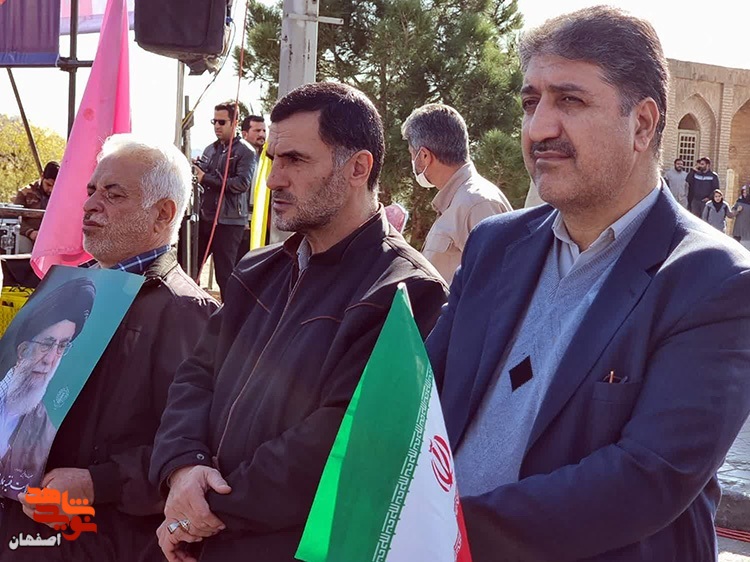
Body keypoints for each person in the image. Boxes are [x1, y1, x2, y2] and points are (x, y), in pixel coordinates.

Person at [426, 7, 750, 561]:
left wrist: (448, 532)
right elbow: (423, 397)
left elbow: (646, 478)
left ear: (642, 125)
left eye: (570, 101)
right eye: (531, 102)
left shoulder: (712, 280)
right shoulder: (496, 246)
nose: (538, 128)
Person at [149, 82, 448, 562]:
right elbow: (196, 376)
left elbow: (339, 441)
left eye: (295, 160)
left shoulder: (405, 292)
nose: (273, 180)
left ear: (358, 168)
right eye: (273, 159)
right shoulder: (257, 269)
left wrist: (204, 510)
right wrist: (183, 467)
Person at [0, 134, 219, 562]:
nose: (89, 205)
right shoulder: (65, 289)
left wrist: (96, 483)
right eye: (91, 191)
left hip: (100, 539)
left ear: (163, 213)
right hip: (24, 530)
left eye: (113, 195)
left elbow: (197, 446)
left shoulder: (185, 312)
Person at [0, 277, 95, 500]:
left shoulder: (44, 423)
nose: (51, 359)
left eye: (62, 346)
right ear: (23, 350)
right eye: (46, 344)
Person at [402, 104, 512, 283]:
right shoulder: (463, 200)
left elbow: (500, 284)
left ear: (424, 156)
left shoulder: (477, 203)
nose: (412, 161)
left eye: (411, 154)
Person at [195, 102, 256, 298]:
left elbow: (241, 184)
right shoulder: (210, 150)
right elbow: (203, 178)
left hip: (229, 222)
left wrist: (206, 178)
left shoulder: (246, 151)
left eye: (222, 122)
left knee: (225, 275)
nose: (217, 126)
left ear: (234, 122)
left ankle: (230, 313)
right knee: (191, 269)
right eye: (214, 121)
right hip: (206, 218)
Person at [236, 115, 267, 263]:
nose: (262, 134)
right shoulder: (238, 157)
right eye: (257, 131)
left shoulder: (267, 159)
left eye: (264, 130)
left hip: (262, 223)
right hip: (243, 223)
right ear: (245, 134)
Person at [12, 161, 59, 251]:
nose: (51, 190)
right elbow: (15, 218)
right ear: (42, 176)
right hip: (28, 236)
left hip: (52, 237)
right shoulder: (25, 193)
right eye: (48, 184)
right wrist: (30, 232)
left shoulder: (61, 195)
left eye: (55, 186)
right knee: (25, 247)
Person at [733, 185, 750, 249]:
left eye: (746, 193)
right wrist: (737, 210)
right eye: (743, 192)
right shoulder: (739, 201)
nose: (744, 194)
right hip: (738, 230)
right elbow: (732, 213)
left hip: (747, 232)